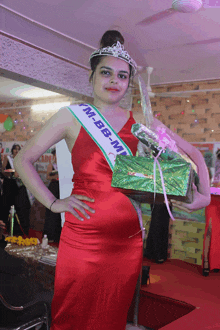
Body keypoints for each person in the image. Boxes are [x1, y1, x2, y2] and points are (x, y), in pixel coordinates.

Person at [14, 30, 210, 330]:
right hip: (82, 239)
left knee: (112, 316)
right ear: (91, 77)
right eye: (106, 73)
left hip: (127, 242)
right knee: (72, 314)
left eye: (122, 76)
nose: (114, 81)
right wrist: (53, 202)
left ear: (128, 83)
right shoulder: (71, 116)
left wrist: (205, 194)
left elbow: (194, 153)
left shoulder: (141, 122)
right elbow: (22, 159)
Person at [2, 144, 31, 236]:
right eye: (15, 149)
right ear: (12, 150)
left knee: (19, 206)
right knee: (6, 205)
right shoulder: (8, 158)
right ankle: (4, 228)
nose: (17, 151)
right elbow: (3, 170)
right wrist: (8, 174)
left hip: (18, 185)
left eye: (18, 149)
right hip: (9, 184)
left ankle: (17, 228)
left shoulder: (21, 159)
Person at [43, 148, 61, 242]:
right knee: (52, 211)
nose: (56, 156)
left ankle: (58, 235)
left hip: (61, 188)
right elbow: (48, 176)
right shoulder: (51, 165)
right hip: (53, 187)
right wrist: (57, 176)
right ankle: (50, 235)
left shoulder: (63, 165)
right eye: (55, 155)